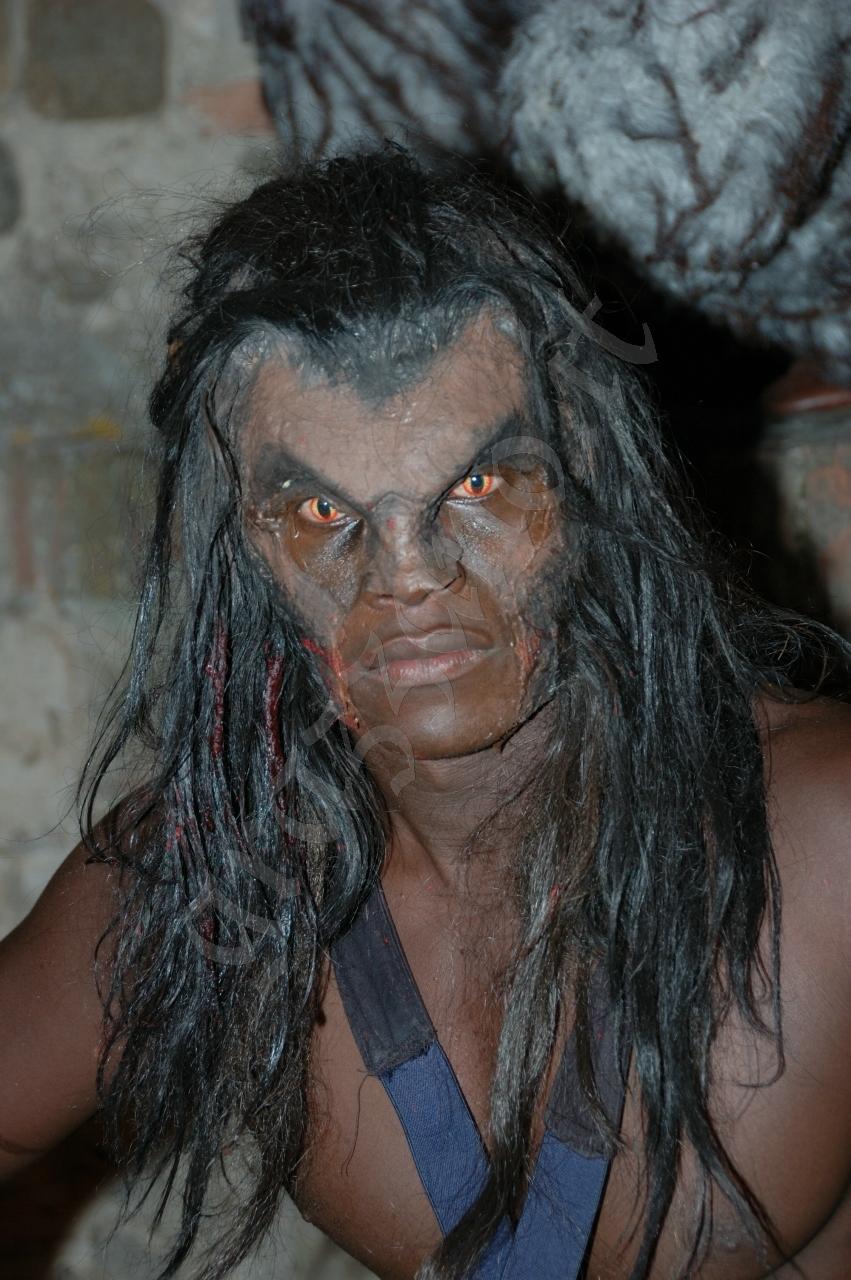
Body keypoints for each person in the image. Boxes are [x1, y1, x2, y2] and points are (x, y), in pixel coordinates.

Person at [1, 145, 850, 1280]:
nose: (406, 580)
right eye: (322, 513)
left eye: (478, 487)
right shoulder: (211, 874)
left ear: (586, 472)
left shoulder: (825, 835)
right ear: (240, 538)